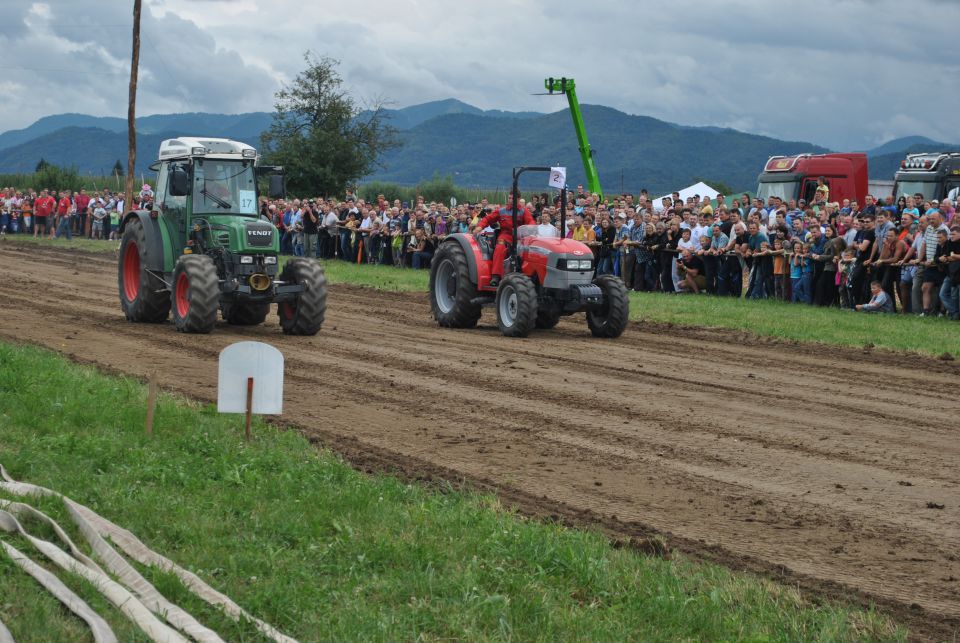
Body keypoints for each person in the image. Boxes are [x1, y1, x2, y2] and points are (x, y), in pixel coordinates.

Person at [474, 195, 536, 287]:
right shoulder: (502, 210)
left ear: (518, 199)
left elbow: (531, 222)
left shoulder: (524, 211)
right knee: (500, 246)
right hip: (506, 235)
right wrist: (479, 227)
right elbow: (488, 219)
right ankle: (496, 275)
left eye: (512, 198)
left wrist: (530, 228)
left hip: (520, 237)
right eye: (509, 198)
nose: (510, 200)